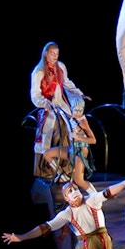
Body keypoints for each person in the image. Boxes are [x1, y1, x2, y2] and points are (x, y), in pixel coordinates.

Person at [29, 41, 93, 184]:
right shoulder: (39, 72)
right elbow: (35, 94)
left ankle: (67, 168)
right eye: (52, 54)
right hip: (47, 106)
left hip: (60, 104)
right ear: (46, 54)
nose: (55, 56)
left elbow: (67, 83)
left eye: (57, 54)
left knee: (71, 126)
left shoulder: (60, 67)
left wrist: (79, 94)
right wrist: (45, 103)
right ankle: (49, 169)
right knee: (51, 129)